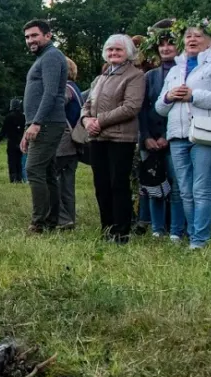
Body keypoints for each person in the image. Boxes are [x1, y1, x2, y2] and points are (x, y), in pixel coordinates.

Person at [156, 17, 211, 250]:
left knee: (200, 188)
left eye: (198, 35)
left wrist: (195, 95)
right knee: (184, 190)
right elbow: (159, 107)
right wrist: (168, 97)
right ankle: (193, 233)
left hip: (206, 133)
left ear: (209, 39)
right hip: (177, 135)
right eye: (188, 35)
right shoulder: (175, 68)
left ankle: (199, 239)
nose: (192, 39)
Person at [80, 35, 146, 244]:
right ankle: (106, 227)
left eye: (118, 50)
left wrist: (99, 120)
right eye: (110, 50)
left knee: (118, 184)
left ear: (127, 52)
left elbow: (131, 107)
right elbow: (87, 103)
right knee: (101, 185)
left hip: (120, 138)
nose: (113, 54)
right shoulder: (101, 77)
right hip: (98, 138)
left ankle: (121, 231)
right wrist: (85, 120)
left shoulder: (135, 76)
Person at [21, 19, 70, 234]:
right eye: (27, 37)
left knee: (33, 169)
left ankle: (38, 223)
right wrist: (29, 125)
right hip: (43, 123)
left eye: (34, 35)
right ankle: (51, 220)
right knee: (48, 173)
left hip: (48, 123)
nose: (30, 40)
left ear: (48, 35)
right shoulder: (45, 57)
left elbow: (51, 93)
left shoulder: (51, 57)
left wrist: (37, 122)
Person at [139, 21, 185, 239]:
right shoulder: (150, 76)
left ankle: (176, 229)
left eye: (171, 44)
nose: (166, 48)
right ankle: (157, 228)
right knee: (153, 184)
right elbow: (142, 108)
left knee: (177, 186)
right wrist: (146, 136)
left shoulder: (185, 74)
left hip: (174, 137)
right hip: (149, 138)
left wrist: (167, 136)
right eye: (162, 44)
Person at [53, 58, 83, 230]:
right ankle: (69, 217)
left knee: (52, 179)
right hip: (73, 143)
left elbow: (56, 106)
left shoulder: (64, 89)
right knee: (67, 183)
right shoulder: (75, 88)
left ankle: (62, 217)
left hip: (62, 143)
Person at [0, 99, 25, 183]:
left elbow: (4, 130)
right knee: (19, 160)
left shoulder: (9, 117)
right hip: (20, 141)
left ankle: (13, 177)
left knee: (12, 160)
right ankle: (19, 177)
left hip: (11, 141)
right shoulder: (23, 116)